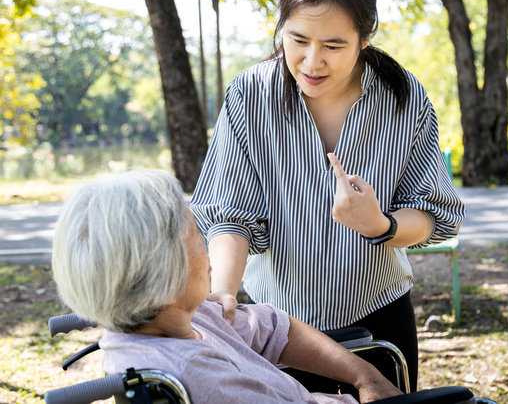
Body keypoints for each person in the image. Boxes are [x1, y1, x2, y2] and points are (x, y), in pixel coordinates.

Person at [189, 0, 467, 392]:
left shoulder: (404, 97)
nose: (312, 61)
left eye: (333, 46)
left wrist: (380, 224)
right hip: (278, 328)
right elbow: (228, 214)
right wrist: (224, 291)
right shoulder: (249, 95)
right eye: (298, 40)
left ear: (365, 37)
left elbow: (433, 214)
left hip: (380, 317)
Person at [51, 171, 402, 403]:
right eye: (196, 236)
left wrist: (363, 375)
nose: (207, 247)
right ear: (165, 276)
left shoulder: (178, 316)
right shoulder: (201, 378)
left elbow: (274, 326)